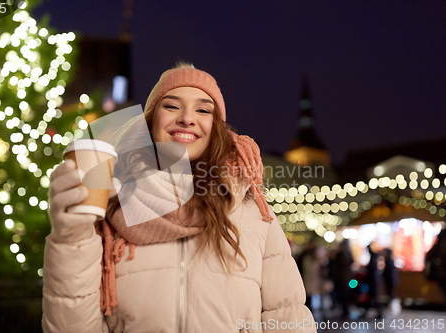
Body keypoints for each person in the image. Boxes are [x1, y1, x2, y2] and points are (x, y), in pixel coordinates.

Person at [42, 64, 315, 332]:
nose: (187, 118)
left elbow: (287, 317)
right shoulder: (109, 203)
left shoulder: (254, 214)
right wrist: (72, 238)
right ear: (149, 124)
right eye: (171, 106)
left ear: (216, 128)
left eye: (203, 110)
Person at [332, 239, 353, 319]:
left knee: (344, 295)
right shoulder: (347, 253)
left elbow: (339, 265)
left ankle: (345, 311)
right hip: (345, 278)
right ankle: (345, 311)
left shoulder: (342, 254)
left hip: (343, 278)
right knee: (344, 295)